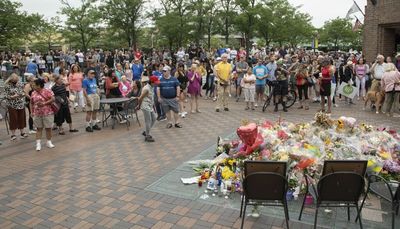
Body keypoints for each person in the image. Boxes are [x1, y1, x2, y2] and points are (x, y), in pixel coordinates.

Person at [30, 78, 55, 151]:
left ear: (39, 85)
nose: (33, 86)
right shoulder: (33, 93)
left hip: (48, 113)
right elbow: (31, 103)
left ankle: (49, 142)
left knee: (48, 128)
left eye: (34, 85)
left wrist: (44, 103)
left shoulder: (47, 90)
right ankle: (38, 143)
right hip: (37, 113)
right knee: (39, 128)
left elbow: (53, 99)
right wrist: (32, 112)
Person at [135, 76, 160, 142]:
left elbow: (151, 98)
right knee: (148, 121)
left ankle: (146, 132)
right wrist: (139, 106)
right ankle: (147, 136)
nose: (156, 84)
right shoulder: (146, 89)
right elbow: (140, 98)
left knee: (154, 119)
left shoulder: (152, 87)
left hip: (150, 106)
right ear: (151, 82)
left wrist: (153, 107)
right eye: (155, 82)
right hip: (145, 106)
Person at [4, 73, 28, 141]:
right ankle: (13, 134)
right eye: (14, 80)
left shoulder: (20, 84)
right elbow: (5, 95)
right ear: (11, 79)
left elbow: (24, 92)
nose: (16, 81)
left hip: (21, 104)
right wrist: (11, 97)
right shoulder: (7, 85)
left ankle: (22, 133)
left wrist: (22, 95)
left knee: (22, 118)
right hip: (12, 104)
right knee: (13, 119)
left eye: (16, 79)